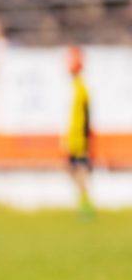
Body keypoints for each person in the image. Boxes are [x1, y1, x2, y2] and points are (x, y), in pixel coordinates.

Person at [63, 46, 94, 218]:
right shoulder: (76, 87)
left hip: (79, 140)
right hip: (75, 139)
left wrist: (85, 140)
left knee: (79, 173)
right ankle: (83, 203)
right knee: (75, 172)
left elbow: (86, 118)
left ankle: (86, 205)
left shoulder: (80, 88)